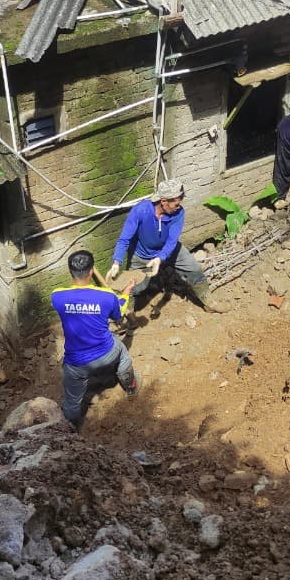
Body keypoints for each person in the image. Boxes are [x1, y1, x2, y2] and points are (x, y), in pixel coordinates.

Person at [107, 179, 228, 313]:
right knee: (133, 286)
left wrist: (159, 258)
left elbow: (172, 241)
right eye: (176, 204)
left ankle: (208, 302)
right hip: (142, 256)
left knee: (194, 270)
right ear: (164, 201)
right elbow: (124, 239)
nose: (178, 206)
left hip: (170, 250)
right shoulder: (141, 210)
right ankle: (126, 314)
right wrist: (116, 262)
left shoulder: (178, 213)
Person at [53, 250, 139, 428]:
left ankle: (68, 430)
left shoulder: (57, 297)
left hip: (76, 365)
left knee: (71, 402)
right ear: (92, 271)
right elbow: (119, 314)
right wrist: (125, 293)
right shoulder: (107, 297)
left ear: (70, 272)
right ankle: (130, 386)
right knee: (122, 353)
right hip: (107, 353)